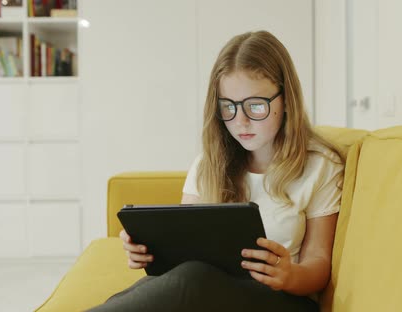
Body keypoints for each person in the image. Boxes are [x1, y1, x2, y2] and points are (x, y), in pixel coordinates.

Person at [88, 30, 344, 312]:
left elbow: (318, 264)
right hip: (210, 296)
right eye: (229, 107)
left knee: (193, 280)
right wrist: (149, 252)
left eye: (255, 106)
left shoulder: (320, 165)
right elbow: (183, 254)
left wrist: (289, 275)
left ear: (286, 101)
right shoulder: (208, 165)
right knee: (162, 284)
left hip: (284, 300)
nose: (241, 121)